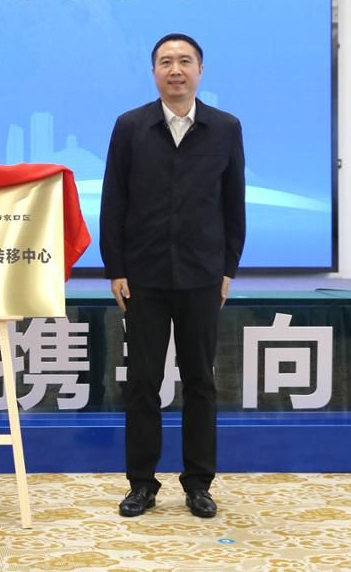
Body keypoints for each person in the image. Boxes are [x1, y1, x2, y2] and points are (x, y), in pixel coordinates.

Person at [100, 33, 246, 520]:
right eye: (166, 62)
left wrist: (227, 269)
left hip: (202, 276)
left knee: (200, 380)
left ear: (201, 70)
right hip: (143, 278)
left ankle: (199, 483)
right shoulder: (130, 126)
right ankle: (141, 484)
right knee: (144, 382)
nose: (176, 70)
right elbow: (114, 201)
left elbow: (233, 205)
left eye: (185, 61)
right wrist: (116, 268)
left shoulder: (225, 128)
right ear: (154, 72)